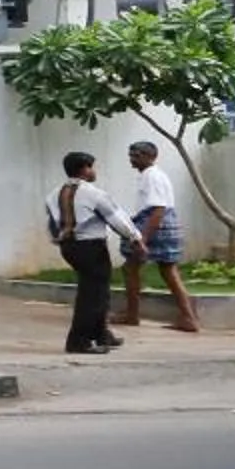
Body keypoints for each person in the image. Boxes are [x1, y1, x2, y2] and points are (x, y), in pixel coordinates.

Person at [47, 151, 142, 355]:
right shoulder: (93, 193)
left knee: (97, 290)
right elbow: (116, 217)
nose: (93, 171)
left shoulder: (54, 193)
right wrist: (135, 238)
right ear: (84, 169)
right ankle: (79, 341)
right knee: (92, 295)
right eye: (91, 166)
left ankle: (101, 333)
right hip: (91, 247)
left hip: (69, 246)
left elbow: (53, 224)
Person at [117, 140, 201, 333]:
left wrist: (142, 239)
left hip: (156, 225)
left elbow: (158, 209)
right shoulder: (152, 175)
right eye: (131, 155)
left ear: (151, 157)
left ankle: (132, 315)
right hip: (164, 224)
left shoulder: (151, 176)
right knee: (168, 270)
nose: (132, 159)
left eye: (137, 155)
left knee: (131, 267)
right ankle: (188, 317)